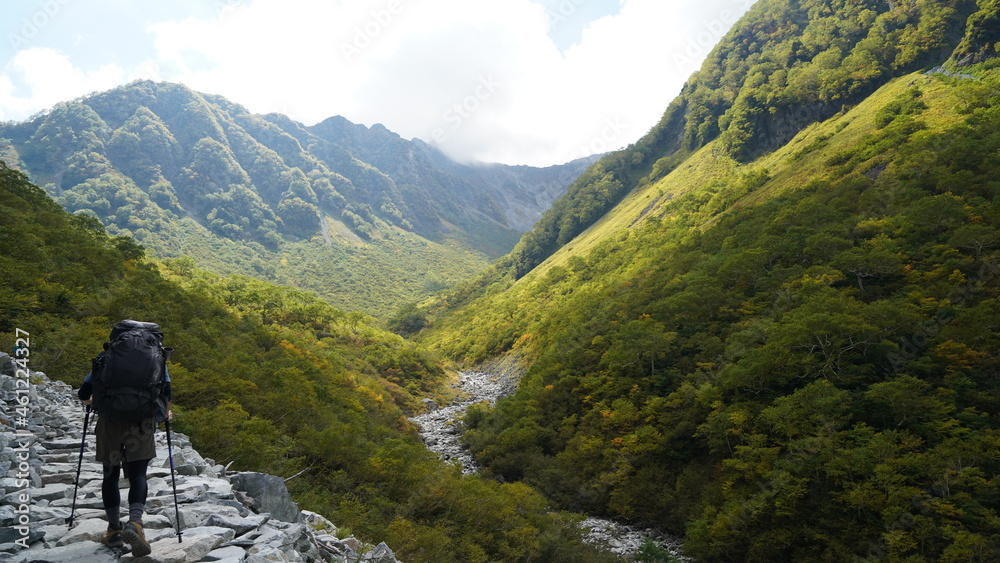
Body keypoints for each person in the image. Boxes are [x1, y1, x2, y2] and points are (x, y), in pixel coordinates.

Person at [78, 341, 172, 557]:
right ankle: (136, 523)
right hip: (141, 423)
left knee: (110, 475)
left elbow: (83, 393)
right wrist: (165, 414)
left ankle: (113, 530)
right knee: (138, 475)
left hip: (109, 422)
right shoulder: (156, 360)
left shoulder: (106, 358)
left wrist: (94, 401)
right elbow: (167, 392)